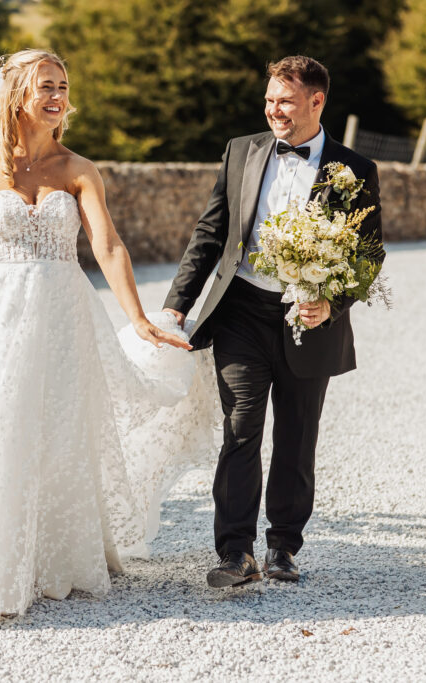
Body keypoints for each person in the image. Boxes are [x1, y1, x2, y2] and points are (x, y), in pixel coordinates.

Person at [0, 49, 217, 622]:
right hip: (2, 319)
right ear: (17, 95)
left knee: (62, 428)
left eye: (63, 85)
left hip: (65, 316)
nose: (57, 96)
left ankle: (59, 558)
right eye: (46, 86)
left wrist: (136, 318)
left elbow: (108, 246)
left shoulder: (80, 169)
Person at [163, 55, 385, 588]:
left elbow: (369, 253)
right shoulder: (242, 151)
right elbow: (211, 231)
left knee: (296, 436)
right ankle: (235, 553)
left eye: (285, 100)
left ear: (316, 102)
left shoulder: (353, 169)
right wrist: (177, 304)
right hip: (240, 309)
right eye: (269, 99)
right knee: (241, 429)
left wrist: (332, 302)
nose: (273, 110)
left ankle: (284, 546)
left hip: (307, 318)